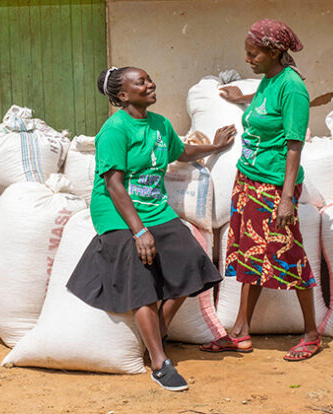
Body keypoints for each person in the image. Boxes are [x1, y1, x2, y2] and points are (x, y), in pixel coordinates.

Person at [66, 66, 235, 391]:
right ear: (123, 95)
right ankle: (159, 362)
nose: (151, 84)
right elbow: (113, 185)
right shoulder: (115, 130)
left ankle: (157, 330)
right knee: (141, 276)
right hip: (117, 212)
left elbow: (181, 151)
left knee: (194, 264)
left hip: (154, 208)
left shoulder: (160, 125)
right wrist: (139, 232)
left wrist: (213, 147)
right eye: (141, 82)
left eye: (149, 78)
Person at [199, 19, 322, 361]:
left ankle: (311, 333)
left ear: (273, 52)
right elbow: (269, 100)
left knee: (288, 254)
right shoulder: (270, 79)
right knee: (248, 255)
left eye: (253, 54)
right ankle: (240, 331)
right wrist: (245, 97)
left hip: (273, 186)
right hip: (249, 180)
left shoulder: (293, 87)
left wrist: (285, 199)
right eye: (247, 53)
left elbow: (294, 145)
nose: (248, 59)